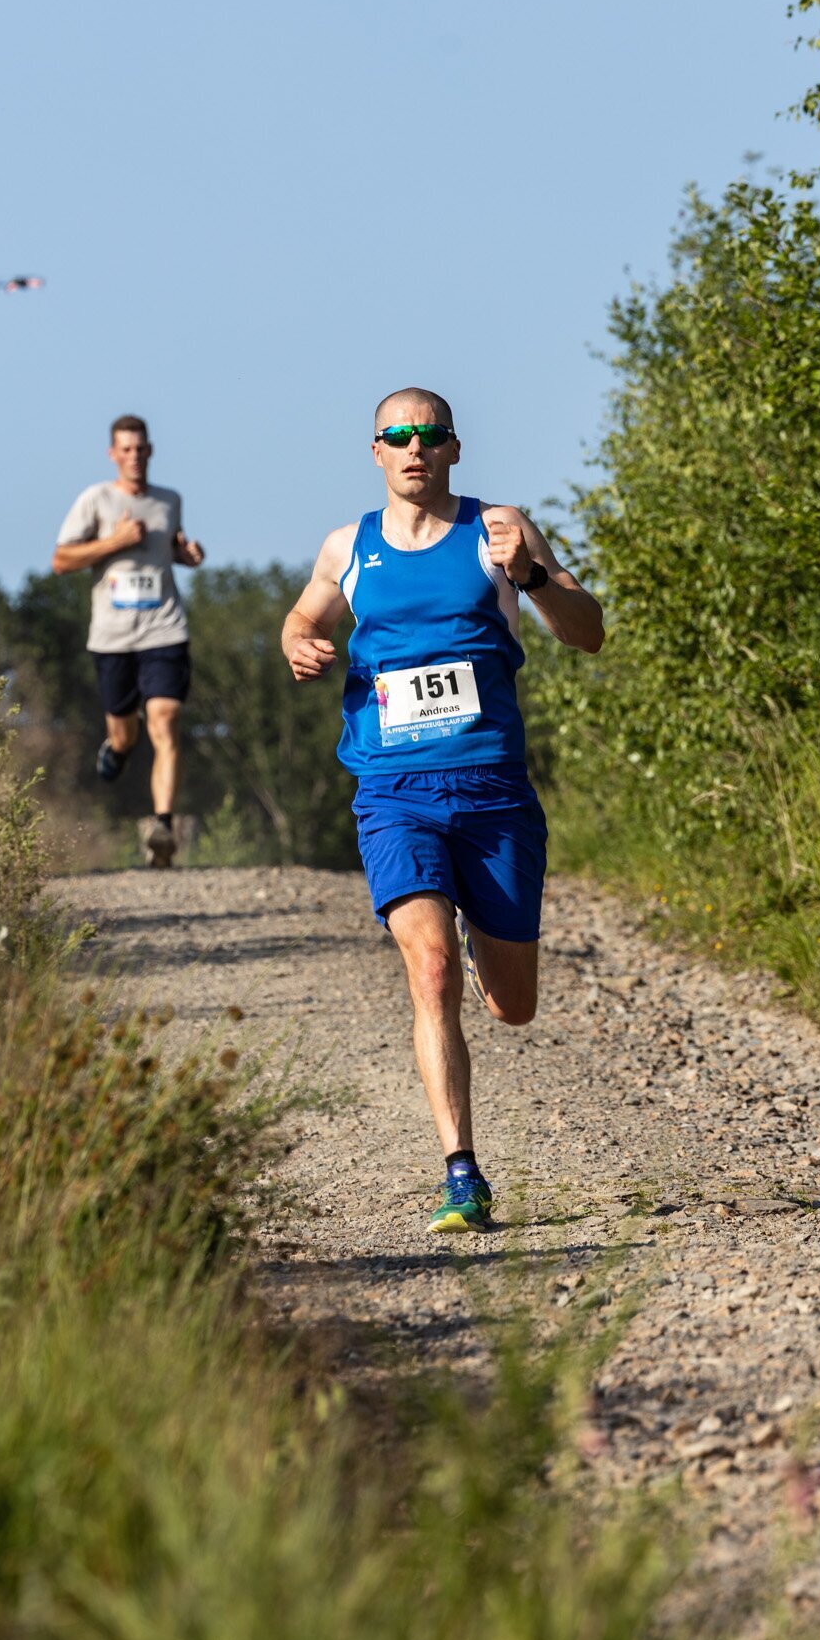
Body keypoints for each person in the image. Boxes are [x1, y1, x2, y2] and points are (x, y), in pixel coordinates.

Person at [280, 388, 604, 1232]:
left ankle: (480, 938)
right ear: (376, 452)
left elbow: (587, 630)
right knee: (429, 973)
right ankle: (461, 1172)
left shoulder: (498, 530)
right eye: (397, 436)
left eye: (430, 435)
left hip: (492, 791)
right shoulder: (348, 546)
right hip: (394, 792)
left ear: (454, 449)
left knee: (512, 1007)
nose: (414, 447)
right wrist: (298, 642)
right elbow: (304, 613)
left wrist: (531, 576)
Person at [52, 414, 204, 868]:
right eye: (126, 449)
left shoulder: (169, 500)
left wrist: (187, 555)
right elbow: (61, 560)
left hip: (164, 628)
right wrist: (114, 541)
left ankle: (163, 826)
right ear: (112, 454)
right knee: (125, 735)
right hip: (113, 637)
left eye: (141, 448)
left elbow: (167, 549)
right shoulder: (95, 499)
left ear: (150, 451)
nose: (134, 456)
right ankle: (117, 747)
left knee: (166, 719)